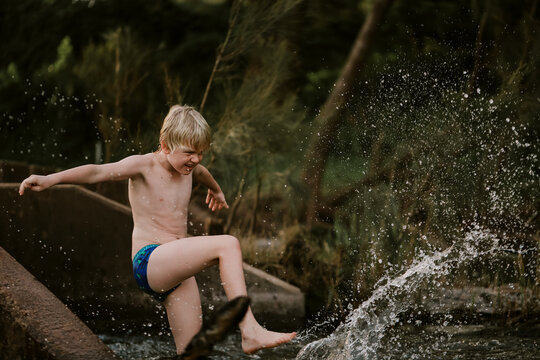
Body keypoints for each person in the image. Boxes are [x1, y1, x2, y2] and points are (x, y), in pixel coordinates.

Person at [18, 105, 296, 355]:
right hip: (149, 260)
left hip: (176, 273)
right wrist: (50, 179)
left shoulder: (190, 169)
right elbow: (96, 172)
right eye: (189, 152)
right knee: (228, 244)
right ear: (165, 145)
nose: (196, 159)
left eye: (200, 152)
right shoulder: (143, 166)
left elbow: (203, 173)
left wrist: (217, 190)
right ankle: (249, 330)